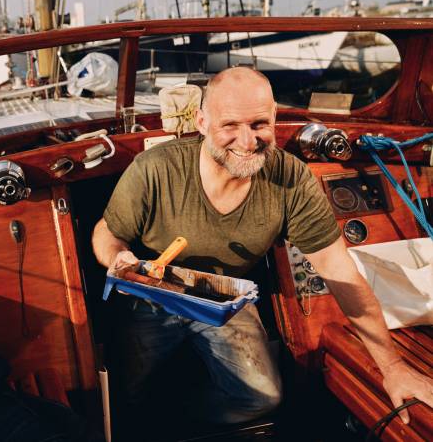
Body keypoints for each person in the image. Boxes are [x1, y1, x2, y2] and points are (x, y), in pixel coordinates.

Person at [92, 67, 433, 426]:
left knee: (262, 397)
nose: (247, 141)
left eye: (258, 124)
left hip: (225, 301)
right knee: (128, 396)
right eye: (230, 126)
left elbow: (340, 272)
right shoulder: (154, 169)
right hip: (152, 295)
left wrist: (393, 367)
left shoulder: (292, 179)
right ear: (202, 121)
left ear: (274, 117)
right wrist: (120, 260)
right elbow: (107, 233)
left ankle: (179, 422)